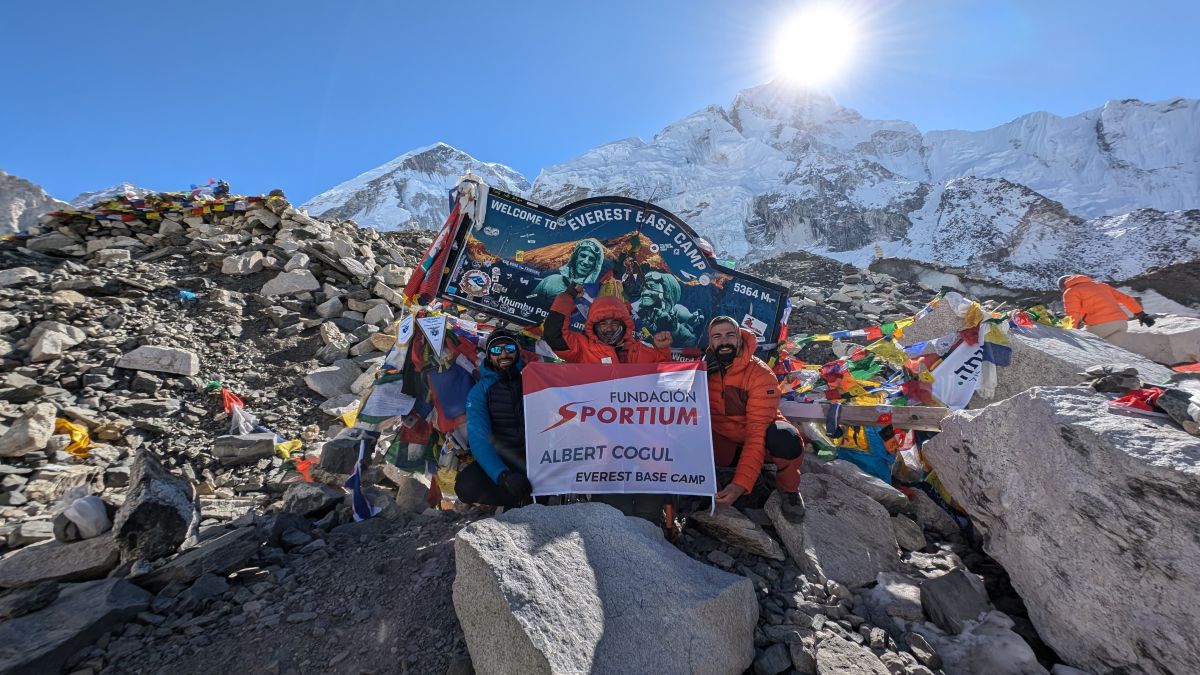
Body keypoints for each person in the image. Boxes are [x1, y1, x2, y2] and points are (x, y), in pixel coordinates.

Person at [704, 316, 805, 514]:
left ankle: (789, 489)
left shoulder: (760, 374)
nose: (724, 341)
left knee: (787, 439)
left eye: (730, 335)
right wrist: (698, 377)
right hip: (722, 441)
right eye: (717, 336)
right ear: (710, 342)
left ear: (740, 338)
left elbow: (756, 433)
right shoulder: (704, 368)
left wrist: (740, 485)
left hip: (757, 437)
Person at [458, 330, 534, 508]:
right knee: (466, 485)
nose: (504, 355)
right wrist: (502, 475)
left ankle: (532, 499)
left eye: (509, 348)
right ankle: (517, 497)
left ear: (518, 351)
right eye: (496, 351)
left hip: (539, 458)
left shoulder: (535, 378)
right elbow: (479, 438)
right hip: (507, 460)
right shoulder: (479, 392)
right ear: (489, 356)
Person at [542, 283, 673, 363]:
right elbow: (554, 335)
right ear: (594, 327)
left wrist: (662, 351)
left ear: (624, 325)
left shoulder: (642, 352)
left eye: (615, 323)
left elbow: (664, 380)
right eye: (603, 324)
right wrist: (567, 297)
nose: (609, 328)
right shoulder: (583, 350)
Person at [1059, 275, 1155, 340]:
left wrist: (1070, 331)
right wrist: (1141, 315)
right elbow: (1126, 299)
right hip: (1122, 323)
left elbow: (1073, 313)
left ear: (1063, 287)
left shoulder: (1070, 292)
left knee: (1082, 341)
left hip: (1102, 326)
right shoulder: (1101, 286)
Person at [629, 271, 705, 347]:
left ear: (666, 291)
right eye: (644, 288)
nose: (645, 292)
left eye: (652, 287)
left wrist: (674, 329)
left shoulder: (678, 311)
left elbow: (691, 342)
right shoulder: (633, 309)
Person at [530, 238, 606, 304]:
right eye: (583, 255)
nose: (586, 262)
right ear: (575, 257)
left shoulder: (595, 294)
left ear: (596, 265)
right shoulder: (550, 281)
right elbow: (529, 299)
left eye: (591, 259)